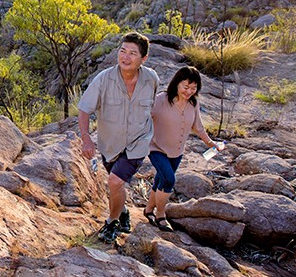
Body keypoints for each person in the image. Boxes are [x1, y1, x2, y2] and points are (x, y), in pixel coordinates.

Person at [77, 32, 159, 243]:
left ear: (144, 58)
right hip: (109, 144)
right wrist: (86, 139)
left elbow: (154, 108)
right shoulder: (104, 79)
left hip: (138, 143)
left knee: (114, 181)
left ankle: (111, 222)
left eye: (133, 53)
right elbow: (85, 109)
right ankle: (122, 214)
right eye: (123, 51)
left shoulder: (151, 79)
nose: (126, 57)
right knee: (117, 185)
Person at [143, 66, 220, 232]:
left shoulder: (193, 103)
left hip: (177, 151)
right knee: (169, 180)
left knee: (160, 180)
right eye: (186, 87)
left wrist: (210, 143)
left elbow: (198, 127)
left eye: (193, 88)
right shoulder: (161, 99)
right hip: (156, 148)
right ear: (177, 83)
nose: (189, 91)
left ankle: (148, 210)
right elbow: (142, 117)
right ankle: (161, 215)